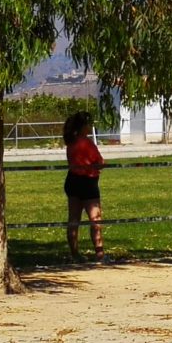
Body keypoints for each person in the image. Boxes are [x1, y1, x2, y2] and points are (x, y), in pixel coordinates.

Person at [63, 111, 106, 262]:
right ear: (83, 127)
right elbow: (100, 162)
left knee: (73, 219)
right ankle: (99, 253)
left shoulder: (71, 142)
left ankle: (75, 253)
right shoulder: (87, 143)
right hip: (87, 183)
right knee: (95, 219)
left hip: (72, 181)